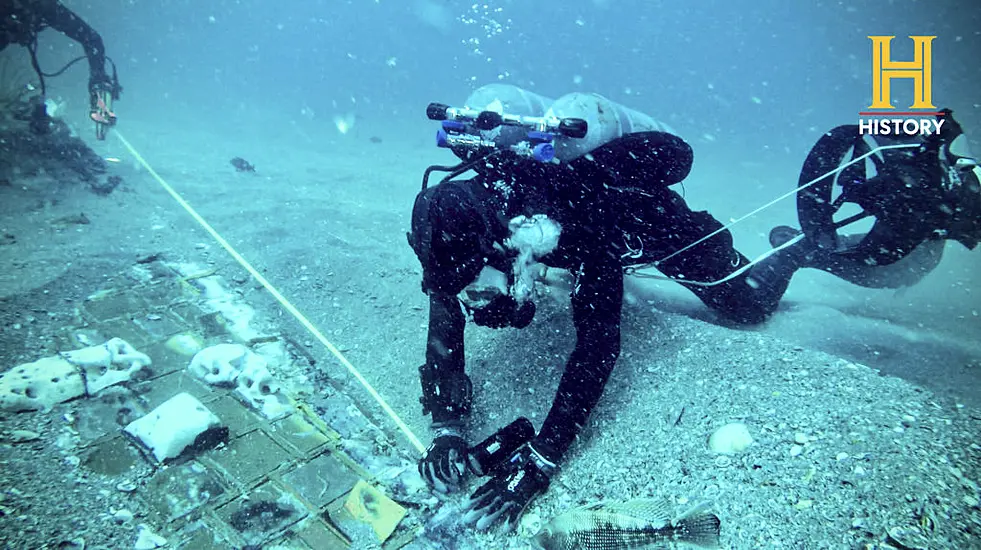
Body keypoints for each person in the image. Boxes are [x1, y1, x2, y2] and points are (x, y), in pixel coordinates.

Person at [406, 86, 978, 531]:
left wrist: (546, 452)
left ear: (508, 245)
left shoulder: (580, 209)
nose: (473, 301)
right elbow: (445, 310)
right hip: (560, 241)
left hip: (657, 226)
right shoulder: (458, 224)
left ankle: (803, 249)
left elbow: (598, 340)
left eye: (479, 287)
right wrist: (446, 428)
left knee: (748, 305)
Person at [1, 0, 120, 135]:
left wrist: (98, 80)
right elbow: (91, 38)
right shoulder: (38, 7)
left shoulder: (42, 7)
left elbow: (91, 39)